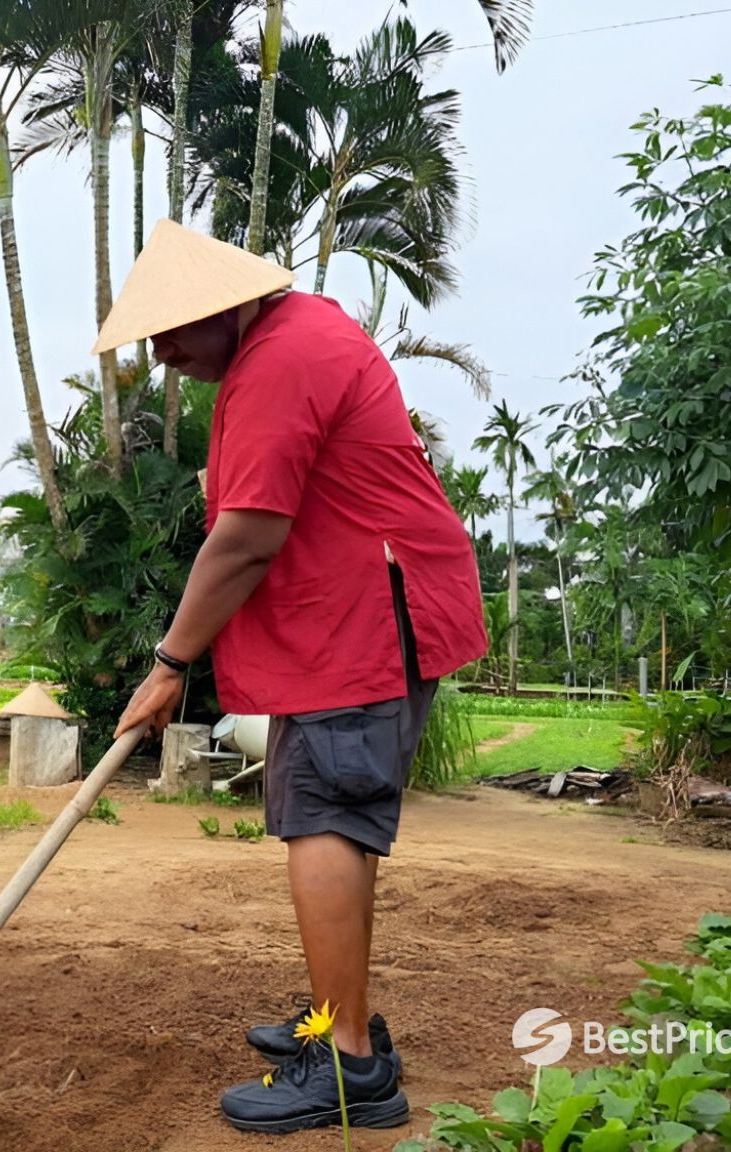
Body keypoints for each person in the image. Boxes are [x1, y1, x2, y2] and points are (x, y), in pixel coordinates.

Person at [98, 221, 487, 1133]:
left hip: (355, 622)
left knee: (323, 816)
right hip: (345, 618)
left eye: (172, 329)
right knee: (331, 819)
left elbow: (247, 536)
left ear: (229, 307)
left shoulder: (281, 358)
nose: (161, 351)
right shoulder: (294, 337)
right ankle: (340, 1019)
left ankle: (350, 1065)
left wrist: (168, 666)